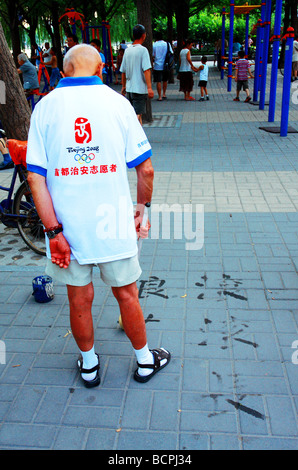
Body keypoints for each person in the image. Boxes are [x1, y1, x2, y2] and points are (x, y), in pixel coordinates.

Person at [26, 44, 170, 389]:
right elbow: (146, 169)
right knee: (127, 295)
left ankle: (89, 367)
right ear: (102, 67)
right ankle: (145, 361)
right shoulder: (118, 104)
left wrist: (53, 232)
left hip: (67, 229)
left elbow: (35, 177)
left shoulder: (44, 108)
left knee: (79, 298)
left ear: (63, 72)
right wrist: (141, 210)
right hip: (113, 223)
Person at [120, 24, 154, 125]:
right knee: (137, 115)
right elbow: (146, 70)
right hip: (139, 88)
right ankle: (136, 137)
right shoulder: (143, 50)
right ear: (144, 35)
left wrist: (123, 86)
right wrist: (149, 88)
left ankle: (137, 136)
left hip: (130, 89)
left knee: (134, 114)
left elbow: (123, 71)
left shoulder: (127, 50)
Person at [152, 32, 171, 101]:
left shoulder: (154, 45)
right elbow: (171, 53)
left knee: (158, 81)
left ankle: (159, 96)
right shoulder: (167, 44)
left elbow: (152, 55)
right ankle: (164, 94)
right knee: (165, 80)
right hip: (165, 65)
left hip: (157, 65)